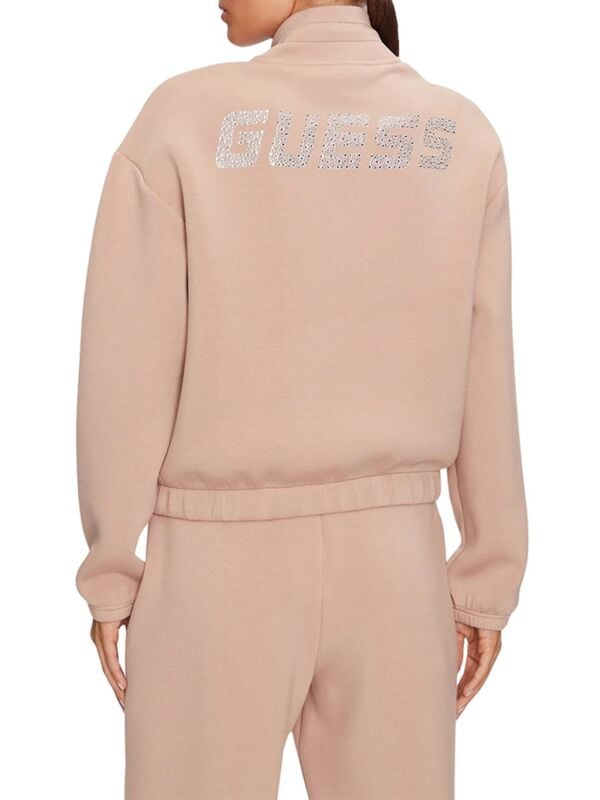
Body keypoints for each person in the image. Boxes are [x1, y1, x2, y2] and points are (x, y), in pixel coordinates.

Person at [75, 1, 528, 797]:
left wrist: (112, 568)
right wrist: (488, 576)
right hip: (397, 570)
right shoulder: (460, 134)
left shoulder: (184, 120)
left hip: (214, 571)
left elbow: (127, 362)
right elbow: (485, 365)